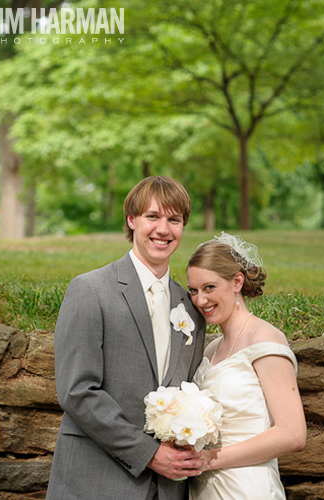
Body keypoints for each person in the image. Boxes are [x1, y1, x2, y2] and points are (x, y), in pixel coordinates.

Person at [47, 176, 208, 500]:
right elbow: (77, 391)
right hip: (95, 482)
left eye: (174, 220)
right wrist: (148, 453)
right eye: (153, 217)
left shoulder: (191, 310)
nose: (163, 229)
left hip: (167, 490)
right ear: (131, 220)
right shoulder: (90, 290)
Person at [185, 234, 307, 500]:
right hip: (203, 489)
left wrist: (210, 460)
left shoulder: (265, 338)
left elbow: (293, 434)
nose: (200, 300)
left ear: (237, 282)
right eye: (193, 290)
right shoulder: (211, 348)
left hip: (246, 487)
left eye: (209, 288)